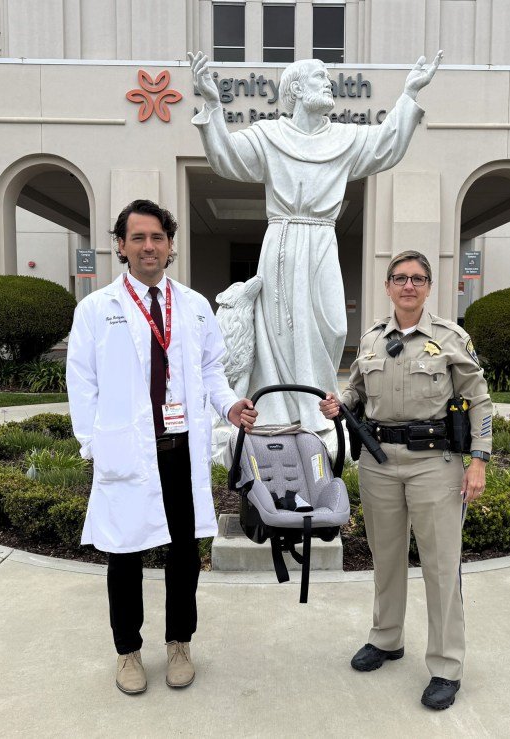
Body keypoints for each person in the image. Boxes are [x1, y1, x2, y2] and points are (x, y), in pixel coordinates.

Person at [189, 51, 442, 430]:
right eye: (319, 78)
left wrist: (409, 93)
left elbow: (386, 143)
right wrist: (213, 103)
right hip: (283, 241)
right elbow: (226, 158)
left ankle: (319, 407)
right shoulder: (270, 135)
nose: (328, 84)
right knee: (283, 330)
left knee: (333, 327)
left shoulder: (343, 137)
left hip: (323, 238)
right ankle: (281, 410)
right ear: (295, 90)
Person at [66, 199, 257, 695]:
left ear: (170, 245)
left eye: (157, 237)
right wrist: (93, 445)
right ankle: (127, 651)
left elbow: (212, 369)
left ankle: (179, 644)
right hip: (128, 450)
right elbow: (81, 383)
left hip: (180, 448)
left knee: (185, 554)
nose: (148, 246)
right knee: (124, 554)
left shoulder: (193, 306)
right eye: (138, 238)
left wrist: (229, 405)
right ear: (121, 246)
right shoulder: (96, 309)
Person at [318, 250, 492, 711]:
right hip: (378, 462)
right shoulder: (372, 339)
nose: (408, 285)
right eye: (400, 278)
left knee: (441, 565)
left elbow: (479, 400)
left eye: (417, 278)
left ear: (428, 287)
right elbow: (356, 389)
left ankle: (446, 666)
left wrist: (479, 460)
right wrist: (340, 403)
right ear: (388, 286)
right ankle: (386, 637)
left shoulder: (451, 338)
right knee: (386, 556)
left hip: (434, 463)